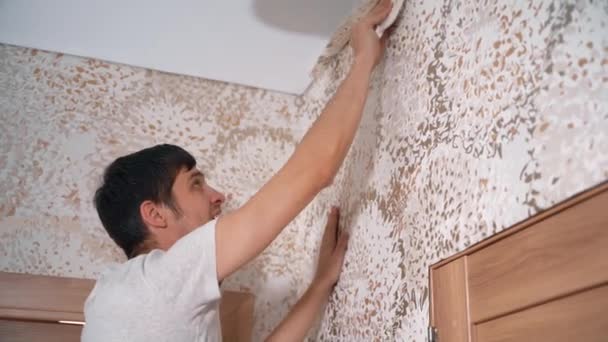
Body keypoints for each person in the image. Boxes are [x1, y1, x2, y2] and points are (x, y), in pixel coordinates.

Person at [82, 1, 393, 340]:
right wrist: (363, 60)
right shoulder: (156, 284)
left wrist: (319, 287)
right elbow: (314, 172)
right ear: (155, 214)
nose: (219, 196)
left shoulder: (123, 299)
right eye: (196, 184)